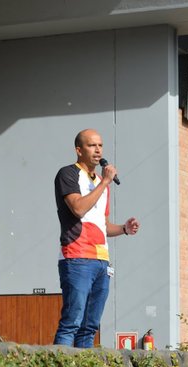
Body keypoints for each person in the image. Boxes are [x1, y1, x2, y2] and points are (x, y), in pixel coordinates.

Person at [53, 129, 140, 348]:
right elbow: (79, 209)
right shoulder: (68, 174)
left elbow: (102, 225)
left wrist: (124, 229)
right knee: (71, 322)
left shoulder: (102, 182)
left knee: (90, 327)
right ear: (78, 150)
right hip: (78, 257)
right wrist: (104, 184)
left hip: (102, 261)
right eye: (92, 145)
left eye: (100, 145)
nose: (98, 149)